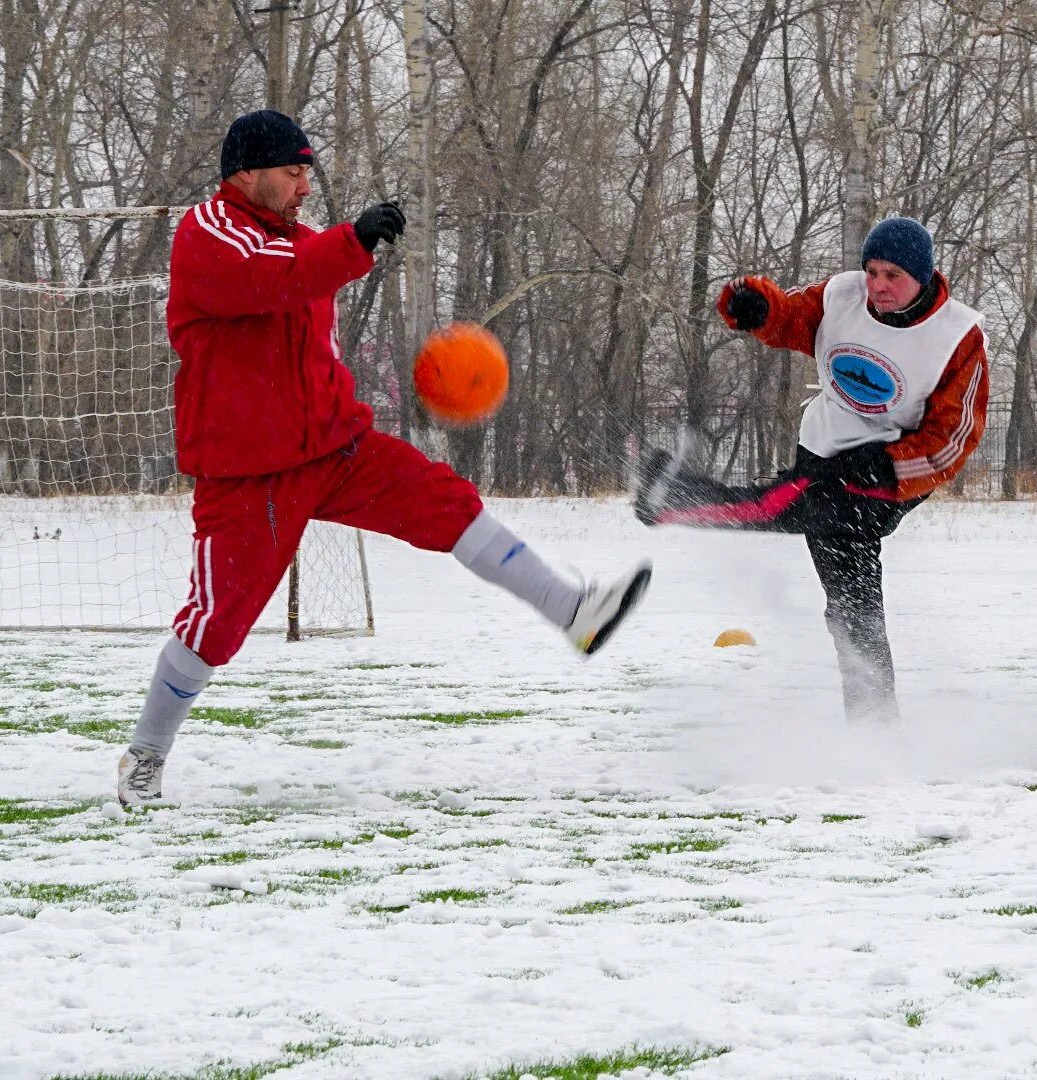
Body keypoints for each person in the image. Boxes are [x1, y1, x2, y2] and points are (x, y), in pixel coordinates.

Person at [117, 111, 651, 806]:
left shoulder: (305, 243)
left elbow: (307, 315)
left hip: (337, 447)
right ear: (246, 172)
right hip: (252, 471)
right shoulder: (208, 234)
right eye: (293, 170)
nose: (305, 184)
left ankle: (572, 609)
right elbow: (270, 281)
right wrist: (353, 242)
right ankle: (146, 757)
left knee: (449, 504)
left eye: (309, 170)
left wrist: (344, 253)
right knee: (219, 622)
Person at [634, 216, 987, 723]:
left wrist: (887, 467)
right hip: (823, 452)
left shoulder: (958, 336)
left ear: (923, 276)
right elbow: (792, 317)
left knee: (773, 503)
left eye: (893, 275)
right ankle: (874, 726)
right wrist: (757, 308)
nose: (879, 285)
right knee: (853, 607)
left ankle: (669, 500)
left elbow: (956, 437)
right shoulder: (843, 296)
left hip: (890, 480)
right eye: (872, 270)